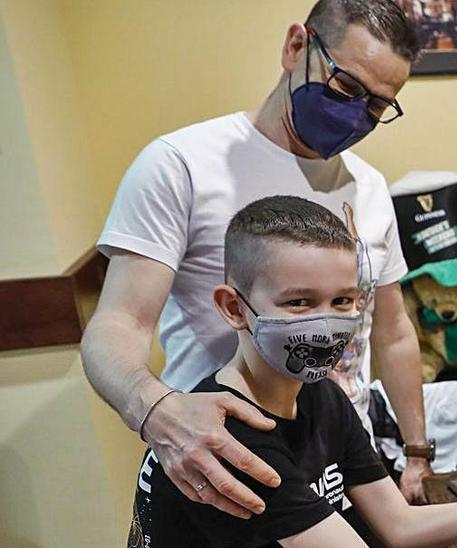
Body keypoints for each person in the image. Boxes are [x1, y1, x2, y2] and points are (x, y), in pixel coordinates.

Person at [84, 0, 434, 519]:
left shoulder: (370, 187)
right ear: (297, 47)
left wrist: (416, 452)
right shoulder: (183, 165)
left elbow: (393, 330)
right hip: (228, 463)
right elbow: (118, 323)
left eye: (377, 107)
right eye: (347, 88)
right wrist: (158, 412)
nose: (357, 115)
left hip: (340, 464)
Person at [130, 196, 457, 547]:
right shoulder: (230, 438)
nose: (326, 324)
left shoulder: (320, 395)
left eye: (343, 301)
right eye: (299, 302)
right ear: (233, 308)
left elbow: (399, 525)